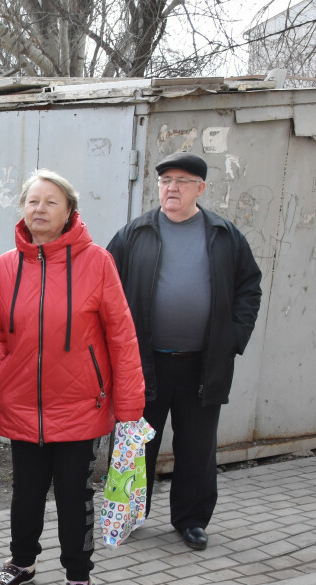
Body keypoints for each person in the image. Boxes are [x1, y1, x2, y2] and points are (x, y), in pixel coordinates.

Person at [0, 169, 144, 585]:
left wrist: (129, 406)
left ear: (70, 210)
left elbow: (121, 337)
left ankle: (78, 574)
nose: (40, 209)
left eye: (51, 202)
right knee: (25, 492)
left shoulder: (98, 263)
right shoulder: (3, 267)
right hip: (23, 404)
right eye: (33, 201)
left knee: (75, 495)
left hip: (79, 405)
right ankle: (22, 562)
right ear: (22, 210)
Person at [107, 152, 263, 551]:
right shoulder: (135, 234)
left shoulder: (223, 235)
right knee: (135, 442)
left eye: (182, 180)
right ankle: (127, 516)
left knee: (196, 448)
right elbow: (104, 289)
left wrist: (233, 338)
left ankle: (191, 520)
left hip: (202, 364)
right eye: (165, 180)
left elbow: (249, 287)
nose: (171, 187)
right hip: (144, 362)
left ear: (201, 188)